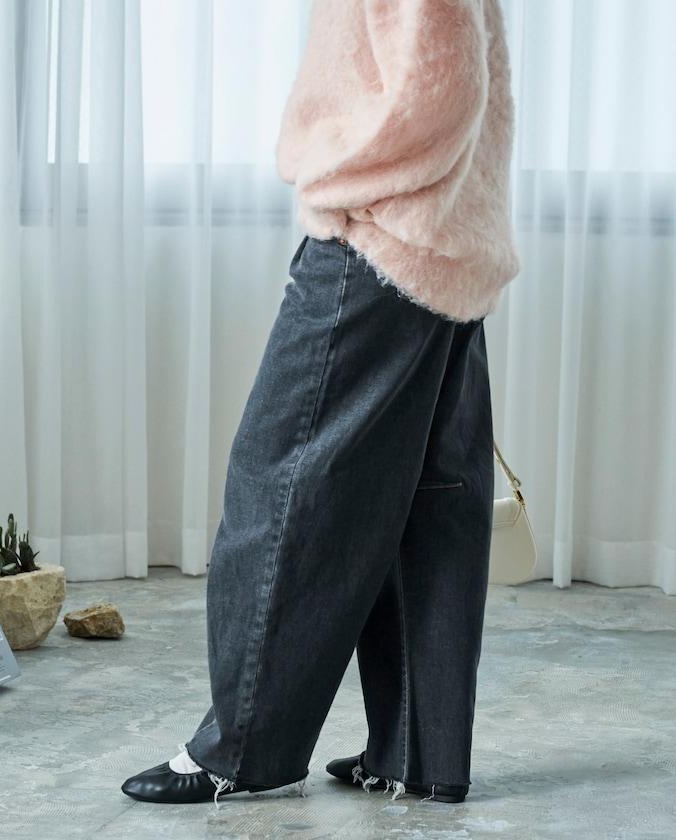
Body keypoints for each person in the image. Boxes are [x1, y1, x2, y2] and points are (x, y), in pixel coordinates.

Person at [122, 0, 519, 807]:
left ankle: (244, 751)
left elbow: (445, 88)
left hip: (382, 238)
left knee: (279, 481)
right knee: (423, 498)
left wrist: (342, 188)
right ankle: (419, 753)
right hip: (448, 241)